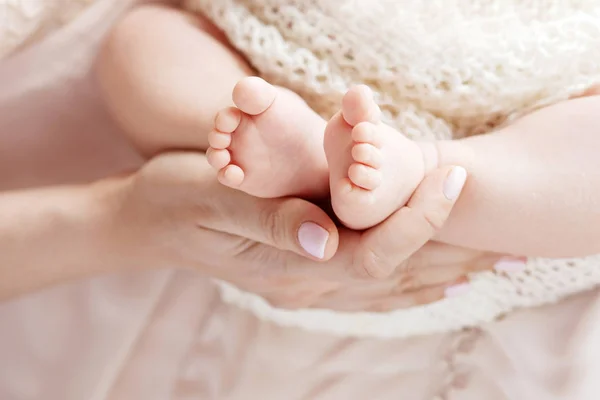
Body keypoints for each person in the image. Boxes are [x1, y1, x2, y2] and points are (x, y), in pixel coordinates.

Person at [1, 0, 599, 399]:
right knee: (141, 42)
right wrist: (123, 218)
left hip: (530, 104)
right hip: (285, 64)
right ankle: (303, 159)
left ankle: (427, 171)